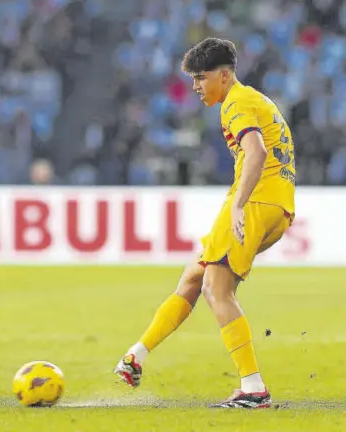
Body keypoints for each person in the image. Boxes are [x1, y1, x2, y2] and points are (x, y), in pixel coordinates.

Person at [114, 38, 296, 409]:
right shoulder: (250, 99)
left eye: (201, 78)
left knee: (217, 289)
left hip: (257, 201)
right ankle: (137, 356)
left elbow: (257, 151)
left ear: (224, 76)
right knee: (193, 278)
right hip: (273, 201)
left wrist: (239, 206)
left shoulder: (237, 103)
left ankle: (253, 388)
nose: (195, 86)